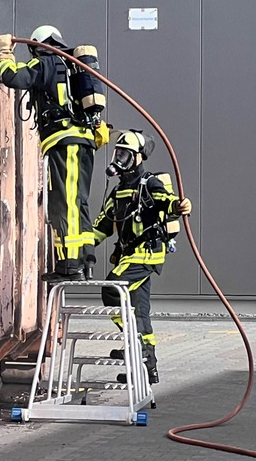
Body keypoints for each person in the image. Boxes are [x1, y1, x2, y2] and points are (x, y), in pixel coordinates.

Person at [0, 26, 110, 281]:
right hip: (84, 141)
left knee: (64, 202)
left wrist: (5, 53)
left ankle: (69, 265)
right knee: (78, 201)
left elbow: (14, 78)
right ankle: (85, 261)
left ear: (36, 44)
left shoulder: (46, 62)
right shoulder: (72, 66)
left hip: (64, 141)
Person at [91, 129, 192, 384]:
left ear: (138, 158)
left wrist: (179, 206)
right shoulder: (117, 193)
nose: (120, 160)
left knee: (112, 290)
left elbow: (166, 202)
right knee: (140, 311)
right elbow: (102, 227)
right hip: (129, 256)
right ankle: (148, 367)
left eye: (125, 155)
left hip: (146, 255)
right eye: (118, 154)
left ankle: (134, 341)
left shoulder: (149, 184)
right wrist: (80, 247)